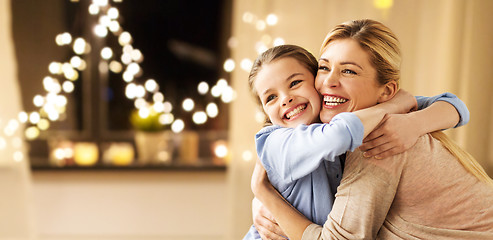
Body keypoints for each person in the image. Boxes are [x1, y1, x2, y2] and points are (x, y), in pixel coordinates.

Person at [251, 19, 493, 240]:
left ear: (386, 91)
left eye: (349, 71)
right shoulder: (375, 117)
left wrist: (266, 195)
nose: (329, 82)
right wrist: (399, 107)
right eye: (324, 68)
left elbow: (454, 105)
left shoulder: (382, 139)